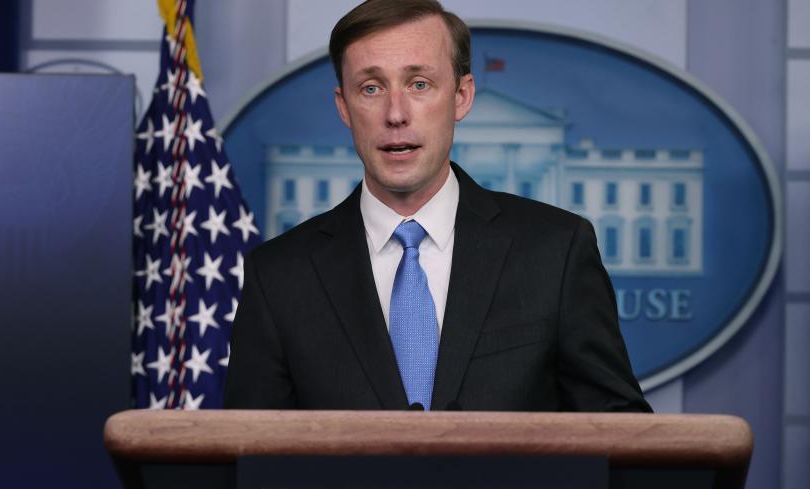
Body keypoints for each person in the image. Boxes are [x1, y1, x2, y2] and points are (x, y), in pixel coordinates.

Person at [224, 0, 651, 412]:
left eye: (419, 84)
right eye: (371, 88)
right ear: (344, 108)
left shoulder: (556, 251)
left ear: (462, 96)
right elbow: (248, 455)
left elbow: (623, 441)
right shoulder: (278, 276)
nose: (396, 114)